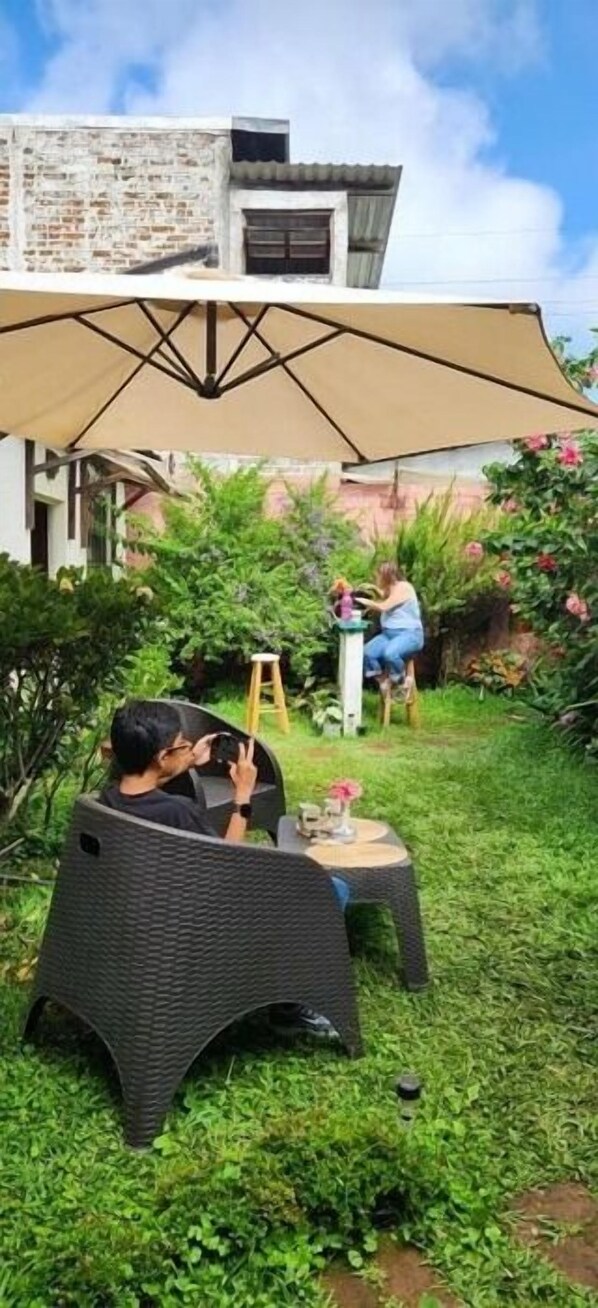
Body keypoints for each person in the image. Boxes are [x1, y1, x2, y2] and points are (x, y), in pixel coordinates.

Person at [101, 699, 344, 1038]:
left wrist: (185, 760)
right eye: (181, 744)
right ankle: (289, 1008)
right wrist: (242, 796)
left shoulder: (108, 801)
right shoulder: (177, 813)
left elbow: (146, 792)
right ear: (161, 757)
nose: (188, 748)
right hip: (196, 934)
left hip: (144, 921)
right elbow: (229, 861)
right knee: (330, 889)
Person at [358, 561, 424, 697]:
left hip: (409, 635)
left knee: (390, 653)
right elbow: (382, 595)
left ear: (386, 576)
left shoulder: (404, 588)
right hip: (388, 635)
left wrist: (363, 601)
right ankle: (384, 682)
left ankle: (400, 681)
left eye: (378, 575)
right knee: (367, 653)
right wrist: (370, 590)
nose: (376, 578)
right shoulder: (389, 590)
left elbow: (384, 606)